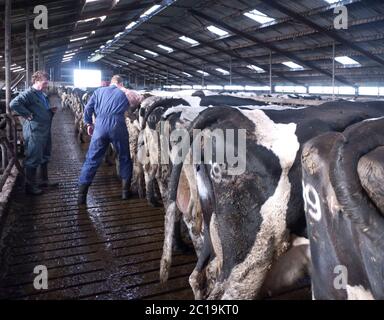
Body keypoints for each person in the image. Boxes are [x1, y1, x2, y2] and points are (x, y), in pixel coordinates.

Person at [77, 75, 142, 205]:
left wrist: (89, 123)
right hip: (118, 125)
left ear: (111, 82)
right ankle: (125, 192)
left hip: (100, 126)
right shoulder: (124, 92)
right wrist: (124, 90)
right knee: (124, 156)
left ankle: (81, 196)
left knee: (92, 159)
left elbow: (88, 109)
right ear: (121, 83)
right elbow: (138, 100)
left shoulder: (98, 91)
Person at [10, 71, 58, 195]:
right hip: (35, 131)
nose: (46, 85)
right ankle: (30, 186)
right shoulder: (29, 94)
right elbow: (13, 103)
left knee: (45, 156)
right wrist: (27, 114)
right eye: (44, 82)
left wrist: (50, 111)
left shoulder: (42, 94)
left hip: (45, 130)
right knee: (33, 157)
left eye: (47, 82)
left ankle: (44, 180)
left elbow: (39, 108)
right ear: (36, 81)